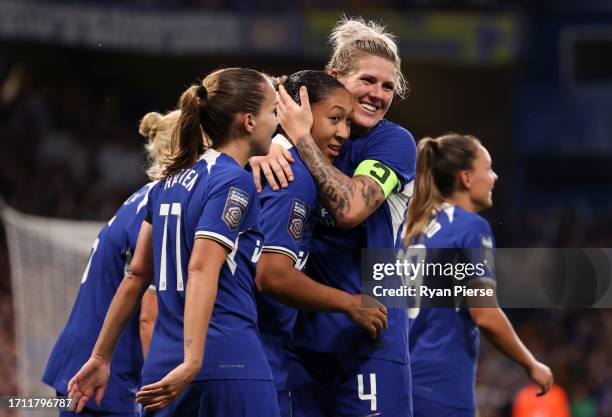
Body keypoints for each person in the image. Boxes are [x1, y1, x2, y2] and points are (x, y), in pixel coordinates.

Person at [67, 68, 281, 417]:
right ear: (248, 121)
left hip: (163, 366)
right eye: (273, 111)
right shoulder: (233, 181)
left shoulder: (168, 183)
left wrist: (100, 357)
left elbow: (136, 277)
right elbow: (200, 267)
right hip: (225, 361)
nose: (277, 121)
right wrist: (194, 360)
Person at [256, 17, 416, 416]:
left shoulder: (393, 142)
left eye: (387, 87)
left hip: (369, 341)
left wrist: (298, 140)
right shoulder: (289, 140)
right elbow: (236, 98)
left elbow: (349, 211)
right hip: (299, 343)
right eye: (367, 80)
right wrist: (260, 144)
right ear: (336, 76)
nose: (377, 95)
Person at [402, 133, 553, 417]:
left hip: (398, 386)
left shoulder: (407, 229)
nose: (494, 177)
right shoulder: (470, 227)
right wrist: (531, 364)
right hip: (442, 388)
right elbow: (484, 314)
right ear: (466, 178)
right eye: (489, 168)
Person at [42, 110, 177, 417]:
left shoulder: (141, 197)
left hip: (86, 358)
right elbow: (149, 318)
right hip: (107, 376)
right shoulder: (166, 204)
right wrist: (159, 401)